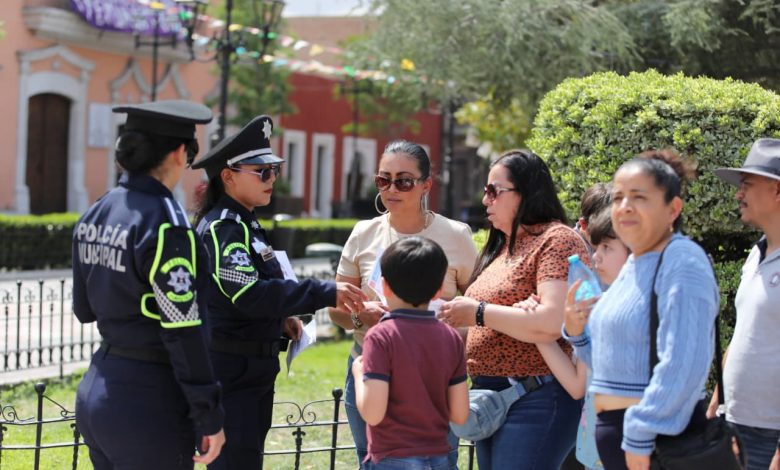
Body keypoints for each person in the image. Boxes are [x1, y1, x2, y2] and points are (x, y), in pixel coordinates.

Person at [190, 115, 367, 469]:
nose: (272, 179)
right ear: (228, 176)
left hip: (252, 370)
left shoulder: (246, 222)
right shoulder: (225, 227)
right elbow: (249, 294)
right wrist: (324, 292)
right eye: (262, 172)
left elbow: (250, 295)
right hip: (232, 374)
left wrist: (281, 319)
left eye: (274, 170)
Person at [72, 100, 225, 469]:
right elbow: (183, 330)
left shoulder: (98, 210)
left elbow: (83, 309)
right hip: (148, 402)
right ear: (179, 153)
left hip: (99, 388)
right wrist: (208, 413)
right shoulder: (168, 224)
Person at [562, 149, 719, 470]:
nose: (625, 207)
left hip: (655, 441)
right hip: (622, 438)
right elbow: (610, 366)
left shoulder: (682, 260)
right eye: (619, 197)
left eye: (639, 197)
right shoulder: (633, 264)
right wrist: (577, 334)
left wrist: (639, 433)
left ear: (673, 209)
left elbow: (684, 363)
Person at [329, 140, 478, 469]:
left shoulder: (456, 235)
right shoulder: (363, 233)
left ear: (426, 185)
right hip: (370, 364)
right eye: (383, 180)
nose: (392, 189)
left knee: (441, 461)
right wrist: (361, 318)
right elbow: (336, 308)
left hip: (434, 371)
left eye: (404, 181)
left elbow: (477, 308)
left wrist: (437, 334)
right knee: (372, 460)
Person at [438, 149, 588, 470]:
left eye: (494, 191)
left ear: (526, 192)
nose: (485, 200)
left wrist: (478, 312)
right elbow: (491, 324)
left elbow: (551, 322)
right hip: (491, 396)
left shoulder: (557, 240)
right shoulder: (502, 247)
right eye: (485, 191)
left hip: (536, 395)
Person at [525, 207, 631, 470]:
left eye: (607, 247)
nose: (595, 257)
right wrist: (536, 327)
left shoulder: (654, 308)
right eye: (597, 246)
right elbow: (577, 384)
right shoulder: (599, 307)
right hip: (598, 449)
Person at [352, 236, 470, 470]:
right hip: (439, 458)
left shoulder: (380, 336)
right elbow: (459, 415)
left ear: (384, 286)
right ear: (438, 290)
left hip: (392, 457)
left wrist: (358, 373)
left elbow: (373, 413)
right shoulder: (451, 337)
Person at [711, 138, 780, 470]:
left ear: (777, 191)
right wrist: (717, 402)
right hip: (734, 424)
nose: (738, 194)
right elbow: (744, 333)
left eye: (747, 184)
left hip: (771, 437)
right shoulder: (757, 253)